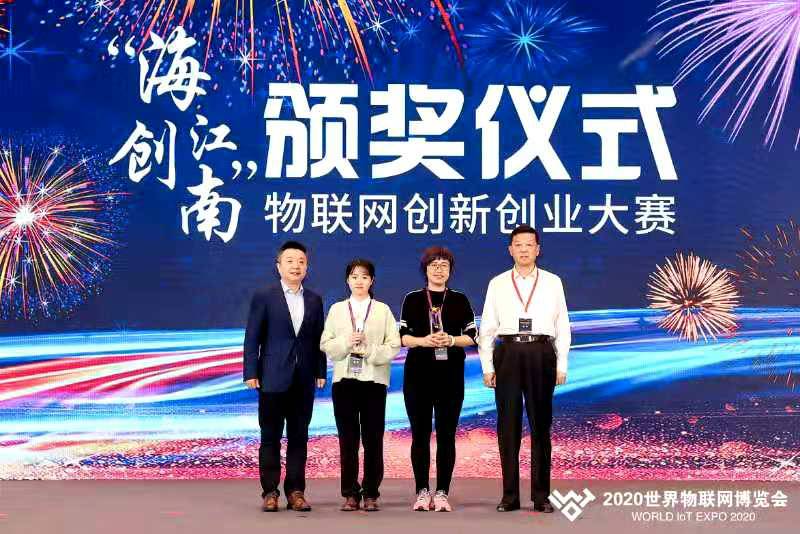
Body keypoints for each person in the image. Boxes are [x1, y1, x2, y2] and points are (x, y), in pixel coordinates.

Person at [478, 225, 570, 513]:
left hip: (541, 352)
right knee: (508, 426)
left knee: (541, 426)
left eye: (529, 244)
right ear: (510, 250)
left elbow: (562, 325)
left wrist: (562, 363)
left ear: (538, 249)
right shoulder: (498, 283)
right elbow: (487, 328)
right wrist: (487, 366)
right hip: (508, 352)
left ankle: (541, 496)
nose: (524, 249)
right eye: (518, 244)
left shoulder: (553, 282)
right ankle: (510, 496)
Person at [243, 241, 327, 513]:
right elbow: (252, 336)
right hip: (271, 376)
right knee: (270, 436)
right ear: (278, 266)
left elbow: (318, 338)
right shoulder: (264, 296)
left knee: (299, 437)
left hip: (303, 379)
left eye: (301, 261)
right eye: (290, 261)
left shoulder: (314, 299)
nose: (296, 266)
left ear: (307, 267)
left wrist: (320, 370)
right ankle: (270, 492)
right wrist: (251, 371)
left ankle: (296, 492)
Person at [399, 246, 478, 512]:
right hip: (418, 376)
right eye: (434, 265)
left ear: (450, 270)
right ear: (426, 269)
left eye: (444, 265)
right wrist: (424, 341)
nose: (439, 269)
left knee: (447, 435)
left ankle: (442, 492)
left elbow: (473, 337)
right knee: (419, 435)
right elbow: (402, 338)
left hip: (450, 377)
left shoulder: (459, 299)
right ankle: (422, 491)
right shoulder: (412, 299)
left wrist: (452, 340)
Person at [320, 259, 401, 512]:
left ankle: (371, 493)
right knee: (348, 441)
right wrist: (347, 341)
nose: (359, 281)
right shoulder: (337, 310)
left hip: (374, 382)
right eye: (354, 276)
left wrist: (369, 350)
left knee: (373, 440)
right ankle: (350, 494)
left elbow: (394, 346)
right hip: (344, 382)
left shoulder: (383, 310)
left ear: (372, 281)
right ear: (347, 280)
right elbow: (326, 345)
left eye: (364, 277)